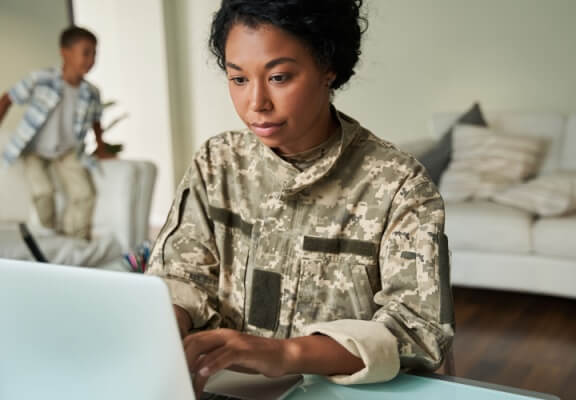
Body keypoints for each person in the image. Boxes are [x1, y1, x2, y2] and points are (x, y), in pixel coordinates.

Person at [146, 0, 454, 396]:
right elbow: (179, 276)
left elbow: (419, 330)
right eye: (238, 79)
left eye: (278, 77)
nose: (256, 103)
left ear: (329, 68)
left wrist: (287, 354)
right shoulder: (216, 162)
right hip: (212, 387)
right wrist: (167, 331)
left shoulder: (399, 186)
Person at [0, 26, 111, 240]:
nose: (91, 59)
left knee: (84, 194)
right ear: (65, 52)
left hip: (67, 152)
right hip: (35, 150)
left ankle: (74, 239)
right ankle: (48, 235)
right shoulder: (41, 78)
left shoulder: (91, 92)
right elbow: (8, 98)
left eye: (95, 53)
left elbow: (96, 119)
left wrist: (101, 146)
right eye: (86, 52)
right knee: (43, 192)